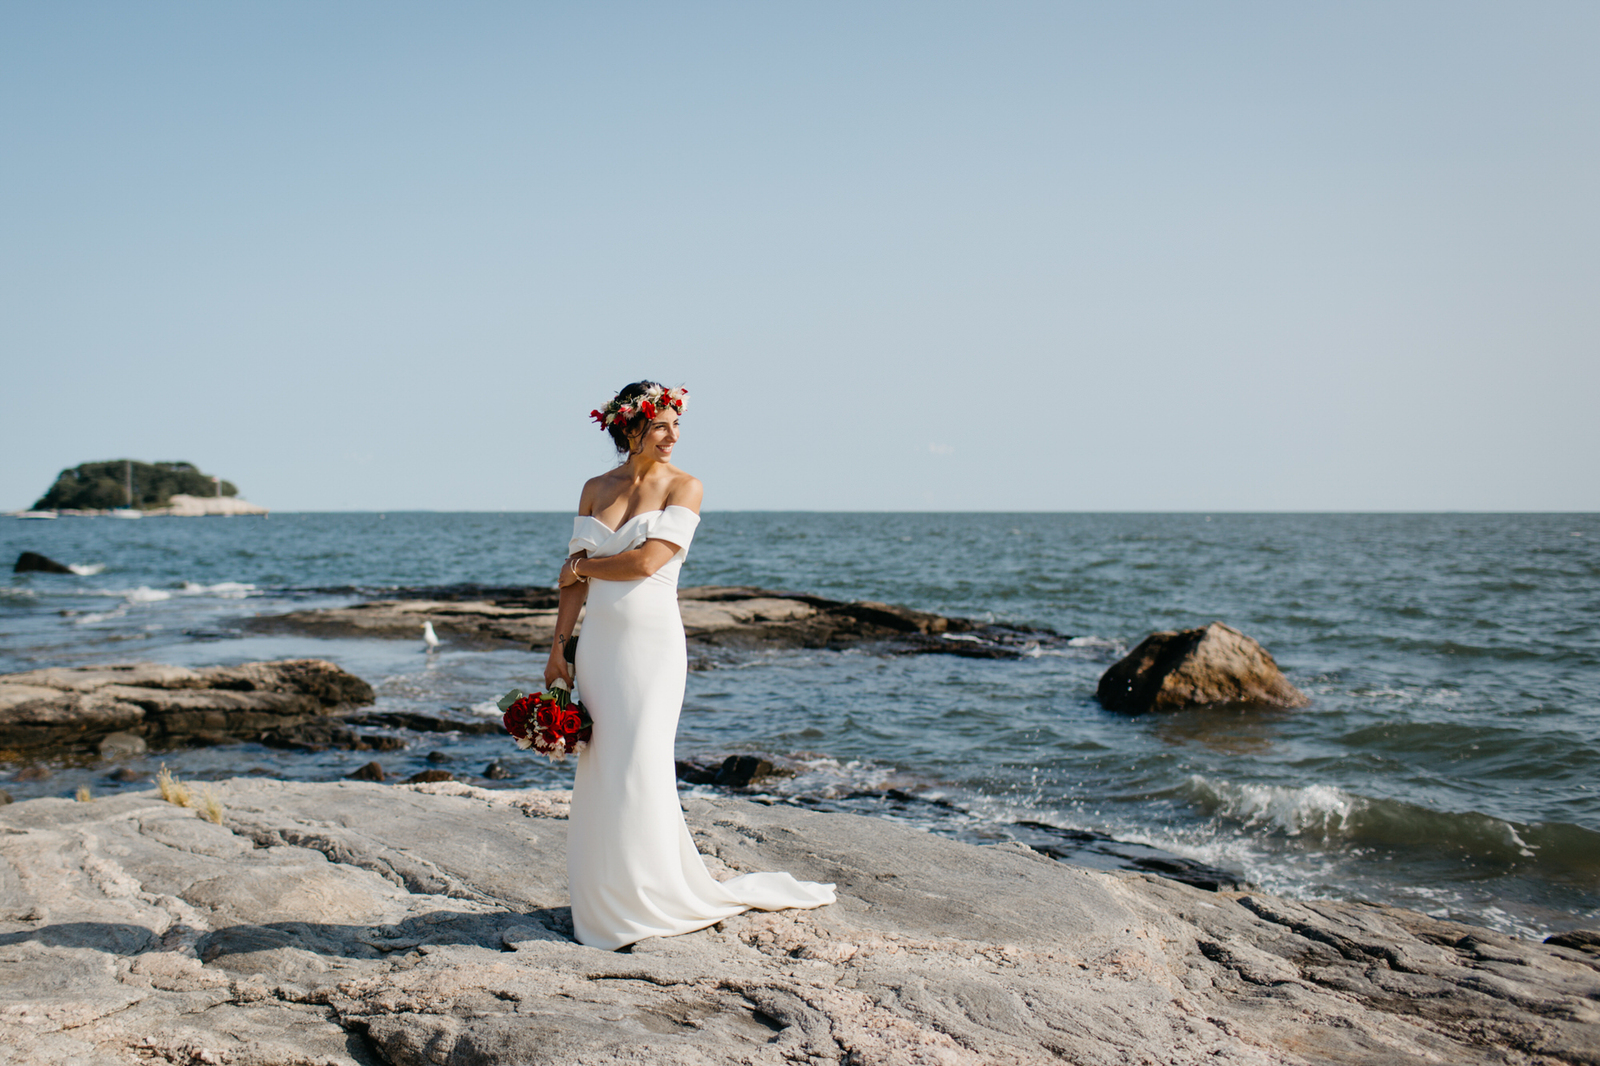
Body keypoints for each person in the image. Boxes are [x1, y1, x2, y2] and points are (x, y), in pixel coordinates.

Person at [546, 380, 835, 950]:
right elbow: (570, 585)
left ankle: (653, 896)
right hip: (601, 645)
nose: (673, 435)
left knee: (642, 763)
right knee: (601, 764)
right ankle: (605, 899)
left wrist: (582, 567)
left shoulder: (687, 486)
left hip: (653, 648)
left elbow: (647, 561)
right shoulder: (593, 488)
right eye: (661, 424)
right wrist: (558, 647)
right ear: (630, 427)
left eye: (678, 424)